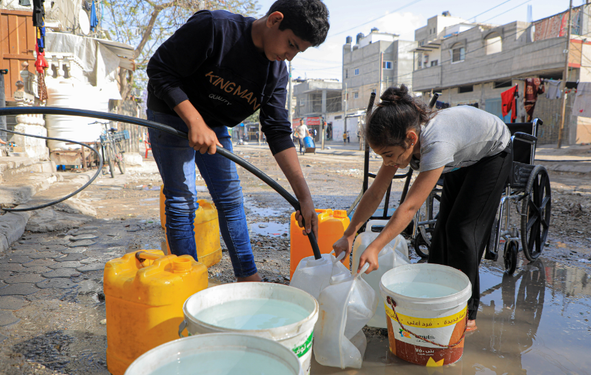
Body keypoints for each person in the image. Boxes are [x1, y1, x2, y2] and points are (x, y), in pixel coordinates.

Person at [146, 0, 328, 282]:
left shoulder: (276, 73)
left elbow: (278, 131)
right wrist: (194, 121)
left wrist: (304, 198)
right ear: (274, 20)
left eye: (298, 51)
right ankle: (188, 282)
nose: (289, 56)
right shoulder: (216, 29)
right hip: (170, 113)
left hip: (215, 125)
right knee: (182, 200)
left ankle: (247, 276)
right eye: (290, 44)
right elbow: (159, 69)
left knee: (230, 198)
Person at [333, 85, 512, 331]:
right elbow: (375, 192)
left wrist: (375, 247)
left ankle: (466, 312)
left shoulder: (437, 143)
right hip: (463, 157)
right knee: (442, 233)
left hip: (492, 154)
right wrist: (349, 234)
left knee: (461, 230)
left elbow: (410, 207)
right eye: (381, 157)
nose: (388, 163)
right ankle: (433, 300)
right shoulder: (399, 141)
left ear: (411, 138)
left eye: (389, 155)